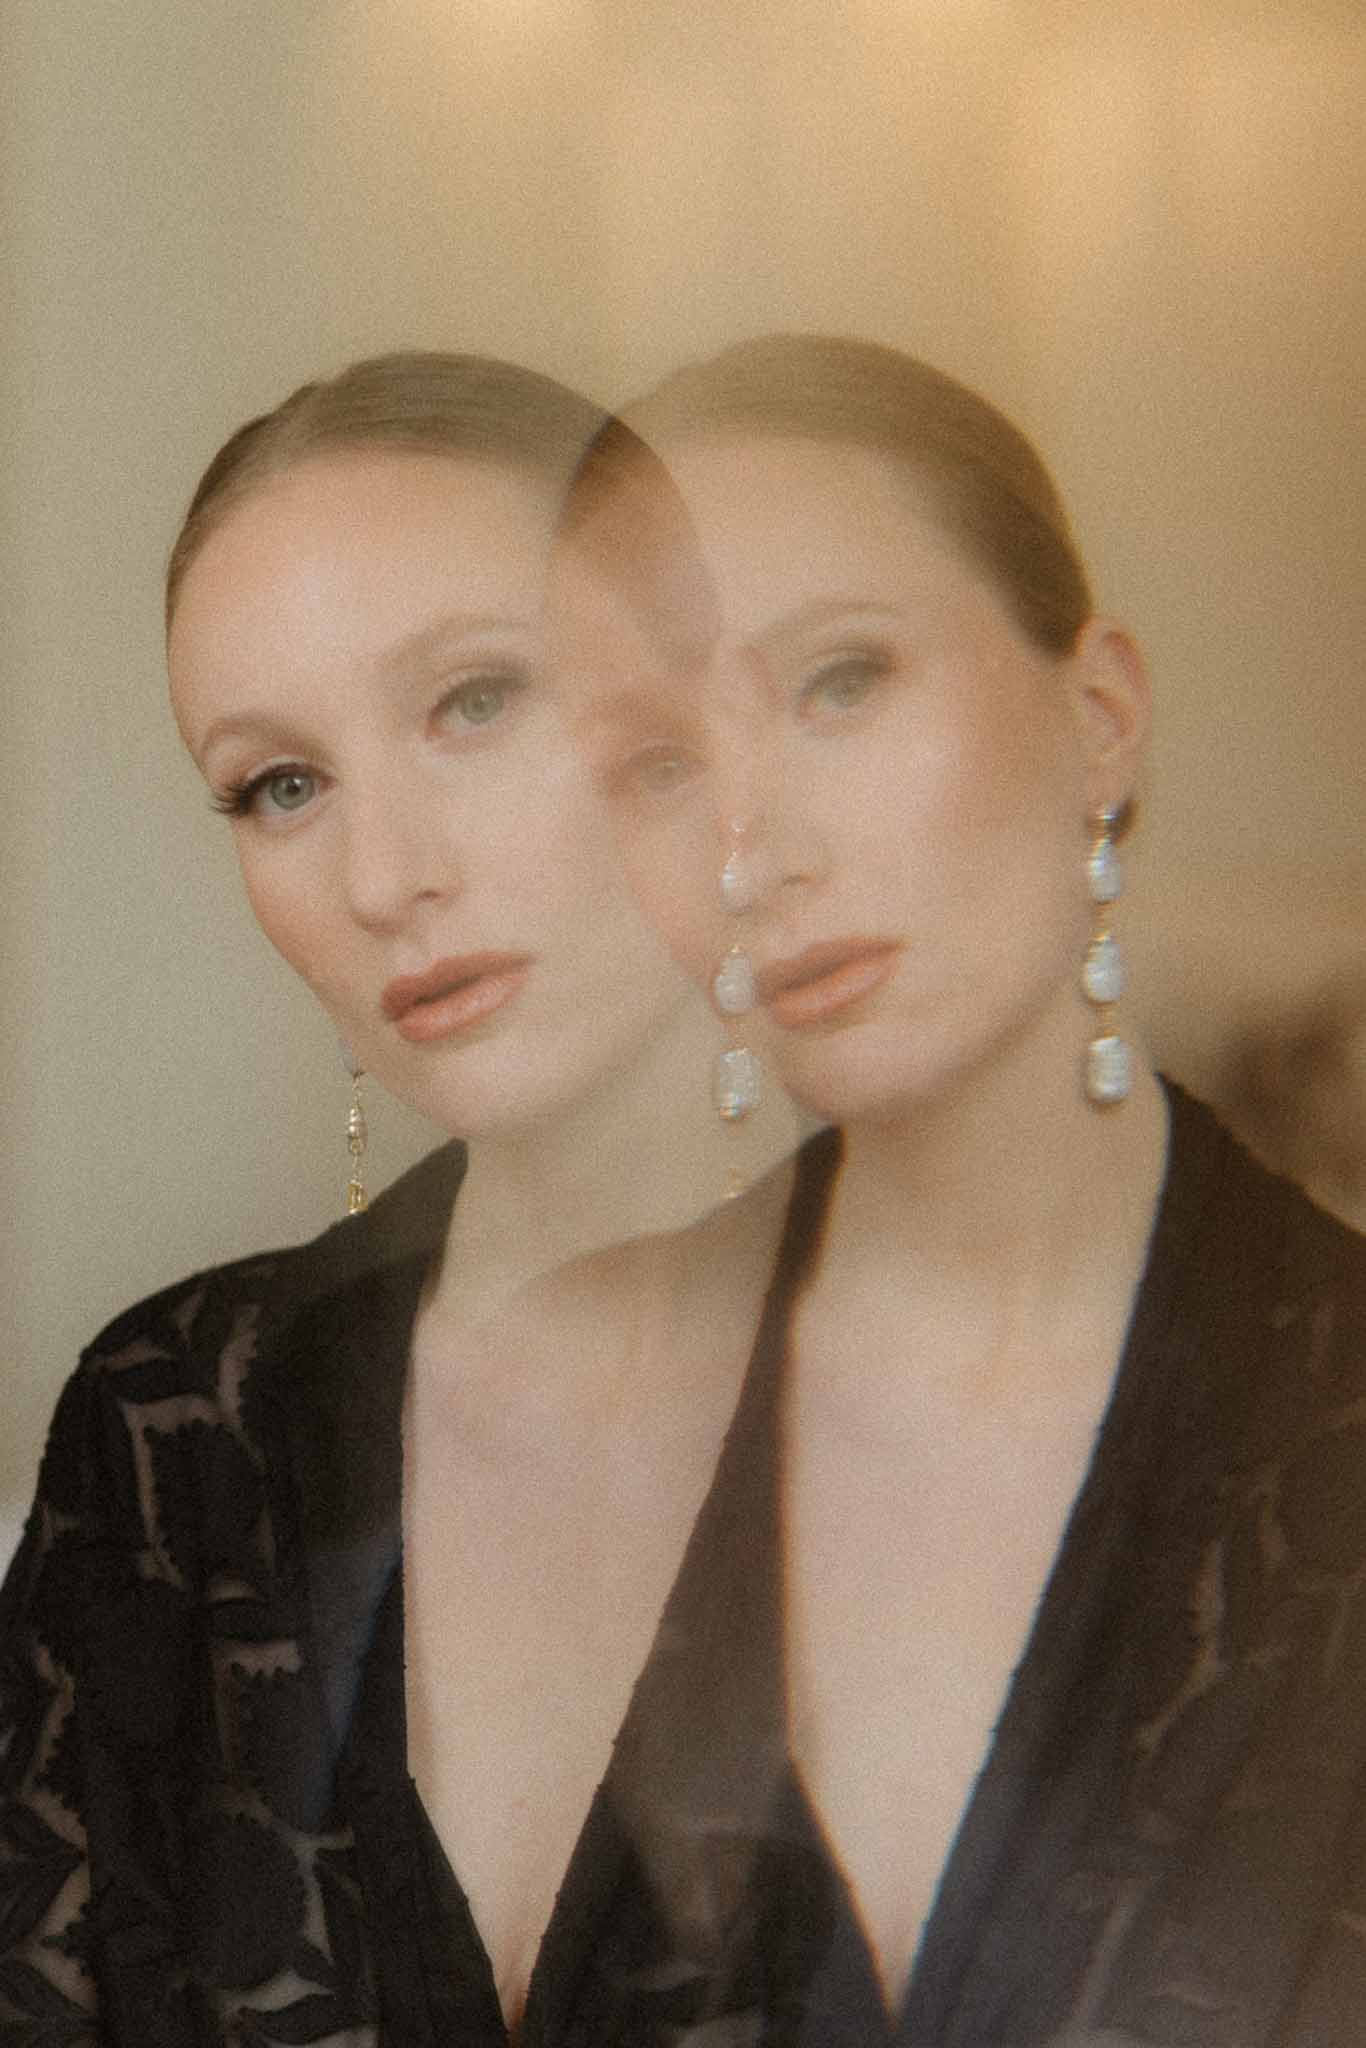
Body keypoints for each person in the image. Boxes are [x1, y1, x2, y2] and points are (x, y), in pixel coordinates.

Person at [545, 333, 1366, 2045]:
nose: (751, 842)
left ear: (1098, 715)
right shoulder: (525, 1419)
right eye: (656, 767)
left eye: (839, 679)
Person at [0, 352, 803, 2047]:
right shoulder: (172, 1430)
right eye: (279, 786)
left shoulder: (1122, 1378)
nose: (382, 880)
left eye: (472, 701)